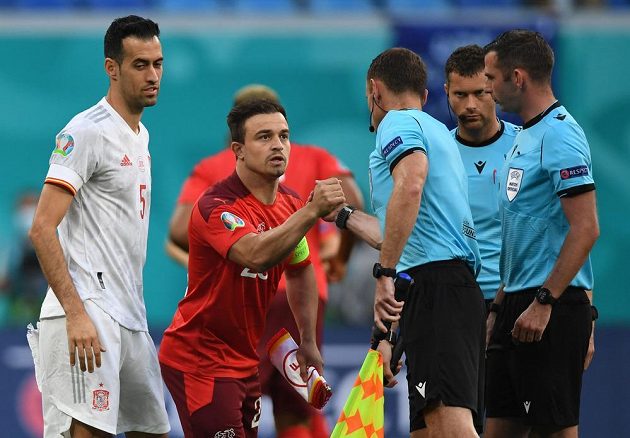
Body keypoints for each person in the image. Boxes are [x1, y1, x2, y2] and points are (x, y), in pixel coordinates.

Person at [165, 84, 363, 438]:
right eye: (264, 137)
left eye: (284, 136)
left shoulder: (289, 202)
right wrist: (312, 211)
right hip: (202, 360)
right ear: (237, 150)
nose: (278, 145)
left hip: (246, 359)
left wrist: (308, 342)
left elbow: (301, 271)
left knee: (295, 414)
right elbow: (255, 256)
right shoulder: (216, 206)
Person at [27, 16, 169, 438]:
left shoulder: (140, 135)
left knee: (154, 431)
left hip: (131, 316)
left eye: (158, 63)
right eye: (140, 65)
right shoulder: (86, 130)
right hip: (87, 312)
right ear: (112, 68)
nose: (153, 75)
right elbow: (41, 228)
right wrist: (76, 313)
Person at [337, 47, 485, 437]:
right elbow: (397, 232)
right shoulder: (437, 131)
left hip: (437, 288)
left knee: (448, 424)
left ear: (375, 90)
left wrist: (384, 274)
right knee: (427, 428)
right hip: (442, 289)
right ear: (424, 93)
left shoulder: (395, 123)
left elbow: (412, 181)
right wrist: (342, 215)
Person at [483, 30, 599, 438]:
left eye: (492, 78)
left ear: (517, 77)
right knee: (498, 426)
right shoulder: (524, 134)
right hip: (516, 302)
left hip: (549, 306)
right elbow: (526, 233)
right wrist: (498, 308)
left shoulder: (562, 135)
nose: (488, 89)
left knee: (552, 429)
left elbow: (586, 229)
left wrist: (547, 302)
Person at [444, 44, 520, 336]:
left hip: (516, 300)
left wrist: (588, 317)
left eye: (481, 93)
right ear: (447, 92)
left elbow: (561, 231)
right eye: (460, 95)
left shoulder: (526, 146)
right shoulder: (436, 154)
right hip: (456, 302)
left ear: (495, 91)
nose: (470, 105)